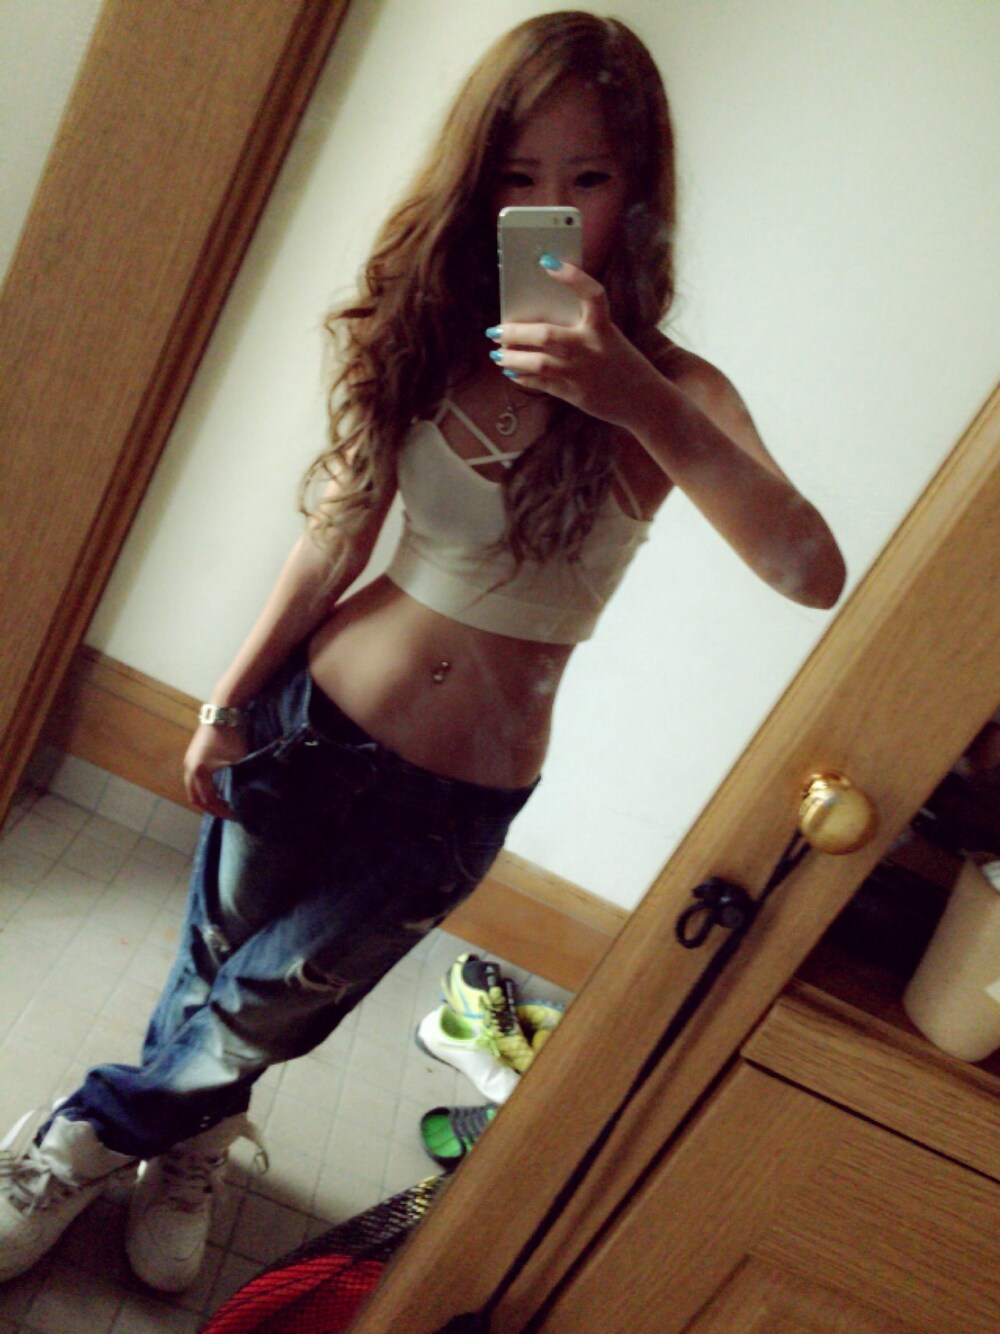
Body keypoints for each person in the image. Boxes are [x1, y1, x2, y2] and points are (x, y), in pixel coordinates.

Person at [0, 10, 845, 1294]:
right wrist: (224, 701)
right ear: (475, 184)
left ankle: (76, 1139)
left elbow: (808, 572)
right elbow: (334, 537)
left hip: (456, 792)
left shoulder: (677, 392)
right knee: (218, 971)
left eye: (587, 177)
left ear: (638, 192)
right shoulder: (422, 334)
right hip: (310, 720)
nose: (550, 208)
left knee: (273, 1002)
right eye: (517, 176)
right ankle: (190, 1142)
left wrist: (630, 394)